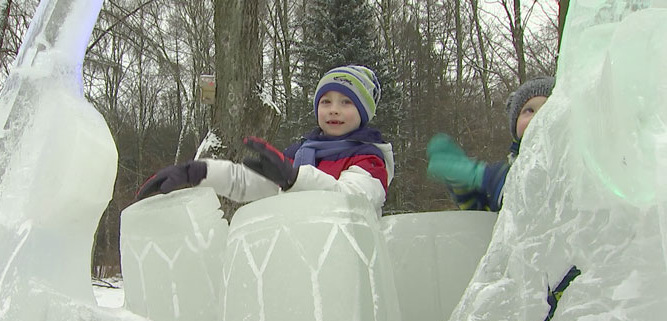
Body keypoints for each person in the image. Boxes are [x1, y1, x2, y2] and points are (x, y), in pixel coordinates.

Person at [136, 65, 395, 215]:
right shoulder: (300, 155)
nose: (334, 109)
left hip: (347, 270)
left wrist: (295, 179)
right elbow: (246, 183)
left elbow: (354, 202)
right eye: (325, 101)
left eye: (346, 102)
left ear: (363, 112)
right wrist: (199, 172)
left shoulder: (369, 159)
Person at [426, 76, 556, 211]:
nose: (538, 117)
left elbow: (536, 193)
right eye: (529, 110)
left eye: (548, 108)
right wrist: (465, 189)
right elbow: (492, 222)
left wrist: (487, 176)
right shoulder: (512, 167)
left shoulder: (571, 163)